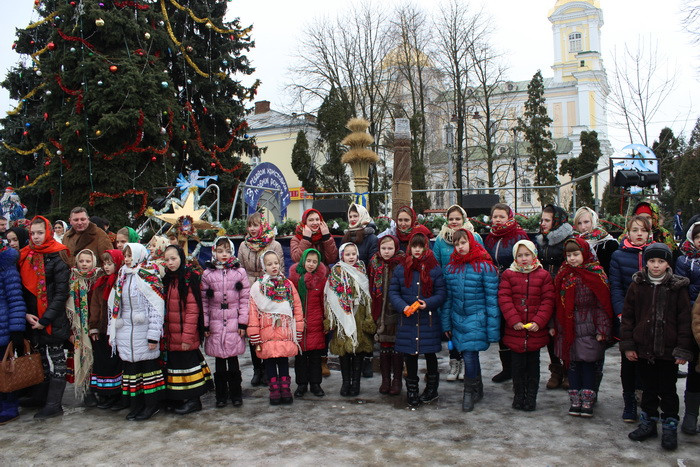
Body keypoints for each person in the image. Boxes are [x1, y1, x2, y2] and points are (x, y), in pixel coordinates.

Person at [621, 243, 692, 451]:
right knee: (648, 389)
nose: (656, 266)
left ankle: (669, 424)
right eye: (652, 261)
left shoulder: (677, 287)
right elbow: (628, 318)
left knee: (668, 391)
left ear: (667, 263)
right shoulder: (638, 285)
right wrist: (629, 345)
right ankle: (648, 422)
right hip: (644, 349)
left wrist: (682, 349)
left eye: (660, 261)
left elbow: (684, 321)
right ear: (646, 262)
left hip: (668, 352)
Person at [18, 216, 71, 419]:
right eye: (33, 233)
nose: (36, 237)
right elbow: (22, 289)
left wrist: (45, 319)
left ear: (48, 232)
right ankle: (40, 396)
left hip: (52, 319)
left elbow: (61, 293)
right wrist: (27, 315)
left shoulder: (58, 255)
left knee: (57, 359)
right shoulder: (27, 254)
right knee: (40, 359)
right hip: (32, 317)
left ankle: (54, 404)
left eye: (40, 233)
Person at [554, 238, 612, 418]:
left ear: (584, 254)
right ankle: (575, 398)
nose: (572, 258)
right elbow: (557, 302)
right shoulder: (563, 274)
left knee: (588, 364)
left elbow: (602, 304)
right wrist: (554, 326)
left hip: (589, 326)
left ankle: (588, 398)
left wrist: (602, 329)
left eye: (576, 254)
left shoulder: (595, 273)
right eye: (569, 255)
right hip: (567, 326)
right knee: (571, 365)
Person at [442, 229, 500, 412]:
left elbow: (492, 300)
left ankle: (468, 392)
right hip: (458, 318)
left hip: (478, 318)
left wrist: (492, 329)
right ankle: (477, 387)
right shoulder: (451, 268)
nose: (460, 247)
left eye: (463, 242)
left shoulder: (485, 267)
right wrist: (446, 323)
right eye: (457, 244)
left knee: (469, 354)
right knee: (470, 354)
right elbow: (448, 299)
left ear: (472, 243)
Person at [107, 243, 166, 421]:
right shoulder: (122, 275)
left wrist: (153, 335)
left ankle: (151, 405)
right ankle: (136, 405)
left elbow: (156, 307)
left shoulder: (149, 275)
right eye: (125, 255)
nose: (127, 259)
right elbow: (115, 306)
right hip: (126, 330)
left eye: (131, 255)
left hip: (144, 329)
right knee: (131, 373)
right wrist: (113, 331)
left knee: (147, 371)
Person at [389, 232, 446, 407]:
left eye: (420, 246)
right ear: (410, 248)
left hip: (428, 320)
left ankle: (431, 389)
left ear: (426, 247)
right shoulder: (401, 268)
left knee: (430, 354)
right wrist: (402, 306)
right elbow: (393, 292)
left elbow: (442, 293)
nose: (417, 250)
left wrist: (427, 303)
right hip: (408, 320)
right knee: (410, 355)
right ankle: (412, 390)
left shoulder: (434, 268)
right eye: (414, 246)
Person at [499, 240, 555, 412]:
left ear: (534, 255)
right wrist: (514, 320)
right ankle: (518, 395)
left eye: (527, 255)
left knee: (533, 367)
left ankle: (531, 397)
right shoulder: (508, 275)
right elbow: (504, 298)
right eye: (520, 255)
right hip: (515, 331)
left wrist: (539, 321)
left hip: (534, 331)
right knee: (517, 368)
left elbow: (548, 300)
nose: (524, 259)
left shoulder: (543, 275)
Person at [609, 214, 654, 422]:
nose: (639, 234)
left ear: (649, 233)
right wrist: (621, 313)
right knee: (628, 359)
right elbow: (616, 287)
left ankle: (645, 397)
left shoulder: (656, 254)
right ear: (628, 232)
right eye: (635, 230)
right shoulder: (619, 255)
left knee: (647, 360)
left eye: (643, 230)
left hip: (651, 317)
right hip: (627, 317)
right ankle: (629, 402)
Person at [433, 205, 483, 382]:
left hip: (469, 288)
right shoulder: (440, 240)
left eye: (458, 219)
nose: (454, 222)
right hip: (449, 287)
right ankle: (454, 362)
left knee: (467, 328)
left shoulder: (474, 237)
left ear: (464, 219)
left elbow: (480, 258)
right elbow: (436, 263)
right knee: (451, 327)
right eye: (451, 219)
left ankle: (467, 363)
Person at [248, 250, 304, 405]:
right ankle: (274, 390)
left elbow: (297, 307)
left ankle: (285, 389)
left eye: (276, 263)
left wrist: (298, 329)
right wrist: (254, 333)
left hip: (284, 331)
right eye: (269, 264)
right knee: (270, 361)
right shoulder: (258, 287)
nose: (274, 266)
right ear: (263, 267)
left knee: (283, 360)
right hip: (266, 331)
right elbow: (252, 312)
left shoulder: (287, 285)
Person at [162, 245, 213, 415]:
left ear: (181, 258)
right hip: (171, 334)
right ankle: (179, 398)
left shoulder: (188, 279)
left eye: (174, 258)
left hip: (185, 334)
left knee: (188, 367)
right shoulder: (167, 279)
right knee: (176, 368)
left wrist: (187, 337)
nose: (170, 263)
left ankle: (194, 400)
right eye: (167, 259)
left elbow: (192, 310)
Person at [201, 237, 250, 408]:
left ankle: (236, 393)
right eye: (220, 251)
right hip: (215, 320)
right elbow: (204, 302)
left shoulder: (239, 273)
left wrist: (242, 323)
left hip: (233, 320)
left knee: (233, 358)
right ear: (214, 251)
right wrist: (205, 324)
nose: (224, 254)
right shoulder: (207, 274)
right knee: (219, 361)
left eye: (227, 251)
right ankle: (221, 394)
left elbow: (244, 300)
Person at [484, 203, 529, 384]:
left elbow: (526, 258)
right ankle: (507, 368)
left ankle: (521, 369)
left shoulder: (518, 236)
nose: (498, 220)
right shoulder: (491, 238)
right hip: (495, 285)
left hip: (514, 285)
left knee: (514, 325)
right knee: (501, 327)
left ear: (509, 217)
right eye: (495, 217)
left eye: (501, 216)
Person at [238, 212, 284, 387]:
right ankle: (257, 369)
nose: (252, 229)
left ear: (263, 225)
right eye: (250, 225)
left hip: (269, 288)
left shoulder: (274, 244)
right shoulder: (244, 245)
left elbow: (280, 269)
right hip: (250, 289)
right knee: (254, 330)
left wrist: (275, 289)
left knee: (268, 329)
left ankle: (268, 368)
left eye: (256, 225)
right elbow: (240, 268)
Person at [324, 243, 375, 397]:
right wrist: (331, 317)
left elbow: (367, 295)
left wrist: (368, 316)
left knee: (358, 349)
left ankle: (356, 382)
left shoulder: (361, 270)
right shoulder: (336, 271)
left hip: (358, 315)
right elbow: (330, 296)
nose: (351, 257)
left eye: (354, 254)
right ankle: (346, 381)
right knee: (344, 351)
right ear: (342, 256)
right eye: (348, 254)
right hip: (342, 316)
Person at [536, 204, 574, 391]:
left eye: (547, 220)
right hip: (545, 289)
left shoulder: (568, 241)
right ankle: (556, 369)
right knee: (549, 332)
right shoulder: (542, 240)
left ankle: (568, 370)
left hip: (563, 290)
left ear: (557, 221)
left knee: (564, 331)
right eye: (542, 219)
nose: (542, 223)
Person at [342, 203, 379, 378]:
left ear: (363, 216)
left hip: (365, 285)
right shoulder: (347, 236)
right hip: (348, 288)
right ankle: (352, 356)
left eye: (356, 215)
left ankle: (367, 360)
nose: (353, 219)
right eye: (350, 216)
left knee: (365, 323)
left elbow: (373, 262)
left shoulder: (371, 238)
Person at [89, 249, 128, 410]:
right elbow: (95, 306)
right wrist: (94, 326)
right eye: (104, 263)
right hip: (103, 329)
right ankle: (106, 393)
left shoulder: (121, 282)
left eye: (110, 263)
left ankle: (117, 395)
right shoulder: (100, 282)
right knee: (103, 363)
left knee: (116, 363)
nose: (106, 267)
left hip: (117, 329)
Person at [288, 248, 328, 397]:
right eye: (309, 261)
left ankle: (316, 384)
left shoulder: (322, 280)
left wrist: (325, 320)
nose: (311, 264)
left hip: (316, 322)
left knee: (315, 357)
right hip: (299, 323)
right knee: (300, 357)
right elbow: (290, 300)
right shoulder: (294, 279)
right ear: (303, 260)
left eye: (314, 262)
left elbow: (324, 301)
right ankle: (302, 384)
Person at [368, 236, 405, 395]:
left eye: (390, 248)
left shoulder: (401, 264)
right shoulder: (375, 263)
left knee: (396, 346)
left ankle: (397, 380)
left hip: (396, 311)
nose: (387, 252)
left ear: (395, 248)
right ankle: (385, 379)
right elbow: (370, 286)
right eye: (384, 248)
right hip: (380, 310)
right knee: (384, 346)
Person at [67, 249, 103, 406]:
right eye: (81, 261)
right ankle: (86, 391)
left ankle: (97, 390)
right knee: (81, 356)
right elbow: (68, 308)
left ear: (93, 262)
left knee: (97, 359)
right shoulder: (72, 279)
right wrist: (71, 330)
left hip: (94, 326)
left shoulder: (99, 278)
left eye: (88, 261)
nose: (84, 264)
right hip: (79, 328)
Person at [675, 219, 700, 434]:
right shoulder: (685, 260)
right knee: (695, 368)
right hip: (694, 319)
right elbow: (683, 288)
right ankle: (691, 414)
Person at [0, 242, 28, 425]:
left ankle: (8, 408)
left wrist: (17, 329)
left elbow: (15, 298)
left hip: (2, 327)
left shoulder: (5, 265)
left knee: (5, 371)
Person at [573, 206, 618, 273]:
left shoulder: (608, 243)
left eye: (586, 222)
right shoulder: (575, 241)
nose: (583, 227)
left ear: (593, 221)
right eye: (579, 223)